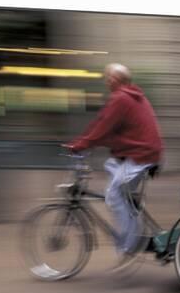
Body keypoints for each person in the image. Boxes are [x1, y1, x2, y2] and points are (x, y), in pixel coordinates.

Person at [65, 63, 163, 267]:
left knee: (113, 193)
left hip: (141, 156)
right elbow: (107, 128)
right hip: (142, 154)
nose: (106, 81)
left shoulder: (120, 98)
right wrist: (87, 142)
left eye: (109, 77)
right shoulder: (134, 96)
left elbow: (102, 126)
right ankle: (133, 223)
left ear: (118, 80)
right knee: (111, 166)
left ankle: (129, 246)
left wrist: (80, 145)